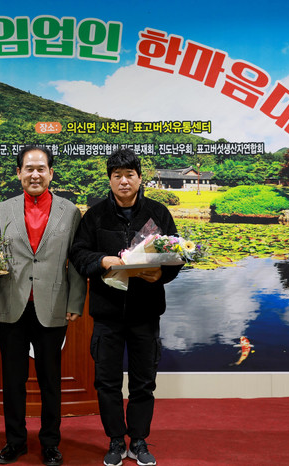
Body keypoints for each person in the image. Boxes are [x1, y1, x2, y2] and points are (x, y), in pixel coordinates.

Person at [69, 148, 182, 466]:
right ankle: (116, 440)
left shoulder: (158, 213)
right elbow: (78, 254)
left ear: (139, 178)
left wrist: (161, 274)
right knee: (106, 382)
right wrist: (102, 260)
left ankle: (139, 440)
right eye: (117, 175)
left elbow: (176, 254)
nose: (123, 181)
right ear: (110, 179)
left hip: (146, 312)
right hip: (107, 314)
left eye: (129, 175)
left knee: (144, 381)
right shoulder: (95, 215)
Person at [0, 145, 87, 466]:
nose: (35, 174)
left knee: (50, 381)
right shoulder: (3, 210)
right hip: (11, 304)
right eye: (28, 168)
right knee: (12, 380)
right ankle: (14, 441)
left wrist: (75, 300)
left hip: (52, 305)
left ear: (51, 173)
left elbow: (77, 261)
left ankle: (50, 443)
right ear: (19, 173)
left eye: (41, 168)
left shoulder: (70, 211)